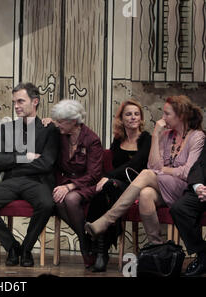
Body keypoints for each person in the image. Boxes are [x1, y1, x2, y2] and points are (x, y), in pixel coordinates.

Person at [85, 95, 205, 248]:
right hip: (164, 186)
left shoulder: (197, 136)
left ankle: (107, 220)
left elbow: (188, 173)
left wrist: (165, 170)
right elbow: (154, 166)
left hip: (184, 190)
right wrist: (156, 135)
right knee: (146, 194)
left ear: (180, 115)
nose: (163, 118)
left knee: (146, 174)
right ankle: (157, 246)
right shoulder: (167, 136)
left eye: (167, 114)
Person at [0, 82, 59, 267]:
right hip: (11, 180)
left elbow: (47, 163)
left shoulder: (49, 129)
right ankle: (12, 247)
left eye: (21, 101)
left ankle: (26, 249)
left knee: (46, 204)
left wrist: (13, 161)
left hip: (36, 182)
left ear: (35, 101)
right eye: (14, 102)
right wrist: (25, 157)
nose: (16, 106)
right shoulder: (7, 129)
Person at [87, 99, 151, 272]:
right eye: (128, 114)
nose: (133, 118)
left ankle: (100, 247)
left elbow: (137, 164)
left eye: (136, 114)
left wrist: (107, 177)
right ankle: (101, 251)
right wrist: (108, 180)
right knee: (102, 192)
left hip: (139, 187)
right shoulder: (118, 140)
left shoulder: (146, 138)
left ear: (141, 118)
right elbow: (114, 165)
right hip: (117, 187)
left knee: (108, 186)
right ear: (121, 119)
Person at [49, 99, 103, 268]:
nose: (57, 125)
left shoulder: (92, 139)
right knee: (58, 199)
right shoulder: (60, 136)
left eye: (61, 121)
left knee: (71, 199)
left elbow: (94, 174)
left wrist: (70, 186)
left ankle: (84, 244)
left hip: (88, 183)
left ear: (73, 121)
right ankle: (85, 237)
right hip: (65, 181)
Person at [170, 141, 206, 276]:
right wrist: (198, 187)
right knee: (180, 208)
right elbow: (199, 165)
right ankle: (203, 254)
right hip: (204, 191)